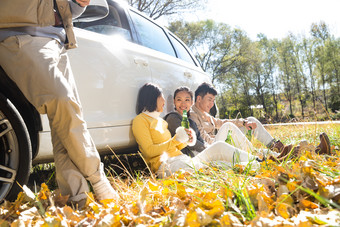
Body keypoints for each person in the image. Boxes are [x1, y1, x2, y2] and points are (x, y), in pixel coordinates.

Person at [0, 0, 118, 207]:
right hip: (18, 34)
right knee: (62, 102)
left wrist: (78, 5)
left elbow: (49, 8)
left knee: (65, 119)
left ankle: (77, 198)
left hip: (57, 41)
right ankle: (97, 179)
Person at [132, 83, 260, 178]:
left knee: (219, 146)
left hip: (183, 158)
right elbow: (148, 151)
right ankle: (246, 168)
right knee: (208, 169)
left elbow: (176, 145)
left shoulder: (161, 121)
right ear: (152, 98)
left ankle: (256, 161)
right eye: (161, 97)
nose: (164, 101)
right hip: (166, 165)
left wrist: (187, 139)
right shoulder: (140, 120)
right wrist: (175, 140)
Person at [190, 82, 331, 159]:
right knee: (229, 129)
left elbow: (221, 121)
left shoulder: (206, 114)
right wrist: (225, 136)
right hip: (214, 147)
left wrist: (243, 123)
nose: (211, 104)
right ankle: (284, 154)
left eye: (213, 101)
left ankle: (282, 149)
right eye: (209, 100)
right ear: (198, 98)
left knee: (251, 120)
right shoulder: (193, 116)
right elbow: (203, 140)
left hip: (222, 139)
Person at [164, 86, 259, 158]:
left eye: (187, 100)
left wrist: (242, 122)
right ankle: (253, 157)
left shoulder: (190, 121)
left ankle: (254, 157)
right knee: (224, 140)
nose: (183, 104)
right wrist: (210, 149)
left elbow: (201, 139)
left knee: (227, 158)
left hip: (203, 151)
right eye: (179, 100)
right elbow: (190, 142)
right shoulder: (173, 118)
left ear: (191, 102)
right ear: (174, 101)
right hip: (193, 157)